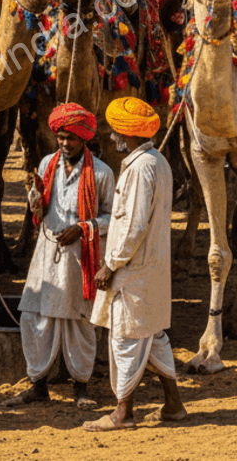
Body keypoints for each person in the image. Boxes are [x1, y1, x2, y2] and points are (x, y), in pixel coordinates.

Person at [82, 97, 186, 432]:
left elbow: (133, 225)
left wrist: (110, 264)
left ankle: (123, 412)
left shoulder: (141, 169)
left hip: (134, 269)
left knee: (126, 339)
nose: (111, 137)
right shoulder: (156, 162)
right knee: (153, 336)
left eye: (115, 131)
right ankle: (174, 405)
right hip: (149, 268)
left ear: (125, 135)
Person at [2, 104, 113, 411]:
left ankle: (81, 386)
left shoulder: (102, 173)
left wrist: (83, 227)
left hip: (81, 255)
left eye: (71, 138)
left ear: (84, 139)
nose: (65, 144)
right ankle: (38, 384)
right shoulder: (47, 164)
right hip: (47, 250)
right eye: (61, 137)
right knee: (35, 316)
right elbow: (40, 210)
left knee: (79, 320)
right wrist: (34, 198)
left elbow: (113, 217)